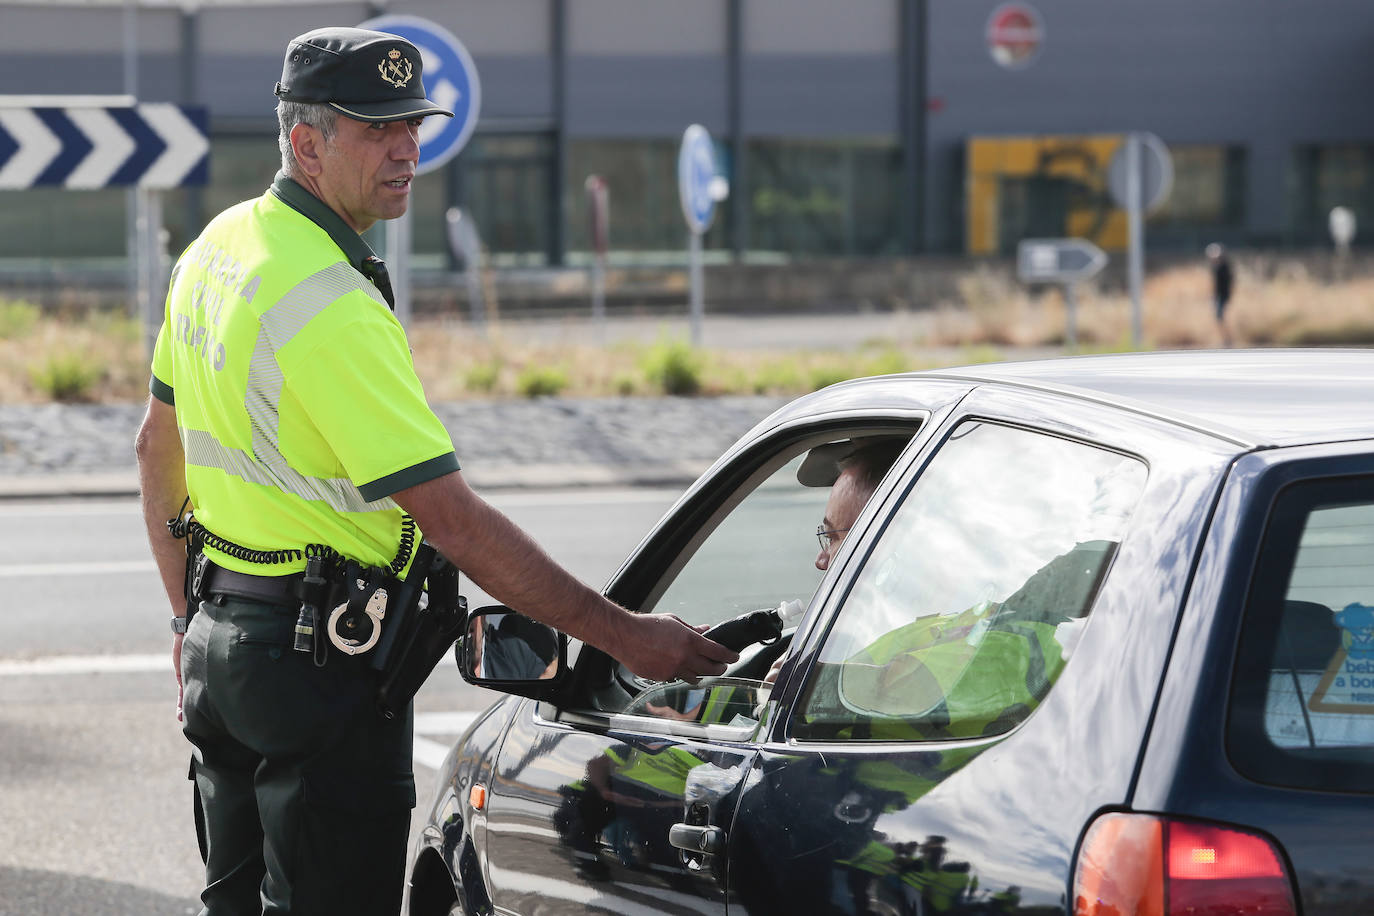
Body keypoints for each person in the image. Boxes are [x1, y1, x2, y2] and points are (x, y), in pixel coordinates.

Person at [134, 26, 734, 916]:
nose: (407, 147)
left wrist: (190, 615)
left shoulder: (219, 247)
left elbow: (155, 448)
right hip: (316, 678)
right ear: (306, 143)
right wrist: (625, 635)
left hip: (223, 654)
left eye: (411, 124)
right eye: (375, 129)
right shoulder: (329, 302)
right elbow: (452, 520)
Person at [1207, 242, 1234, 347]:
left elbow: (1227, 283)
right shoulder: (1217, 267)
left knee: (1219, 317)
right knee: (1219, 318)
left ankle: (1227, 339)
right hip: (1219, 296)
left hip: (1222, 296)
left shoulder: (1224, 267)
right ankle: (1225, 339)